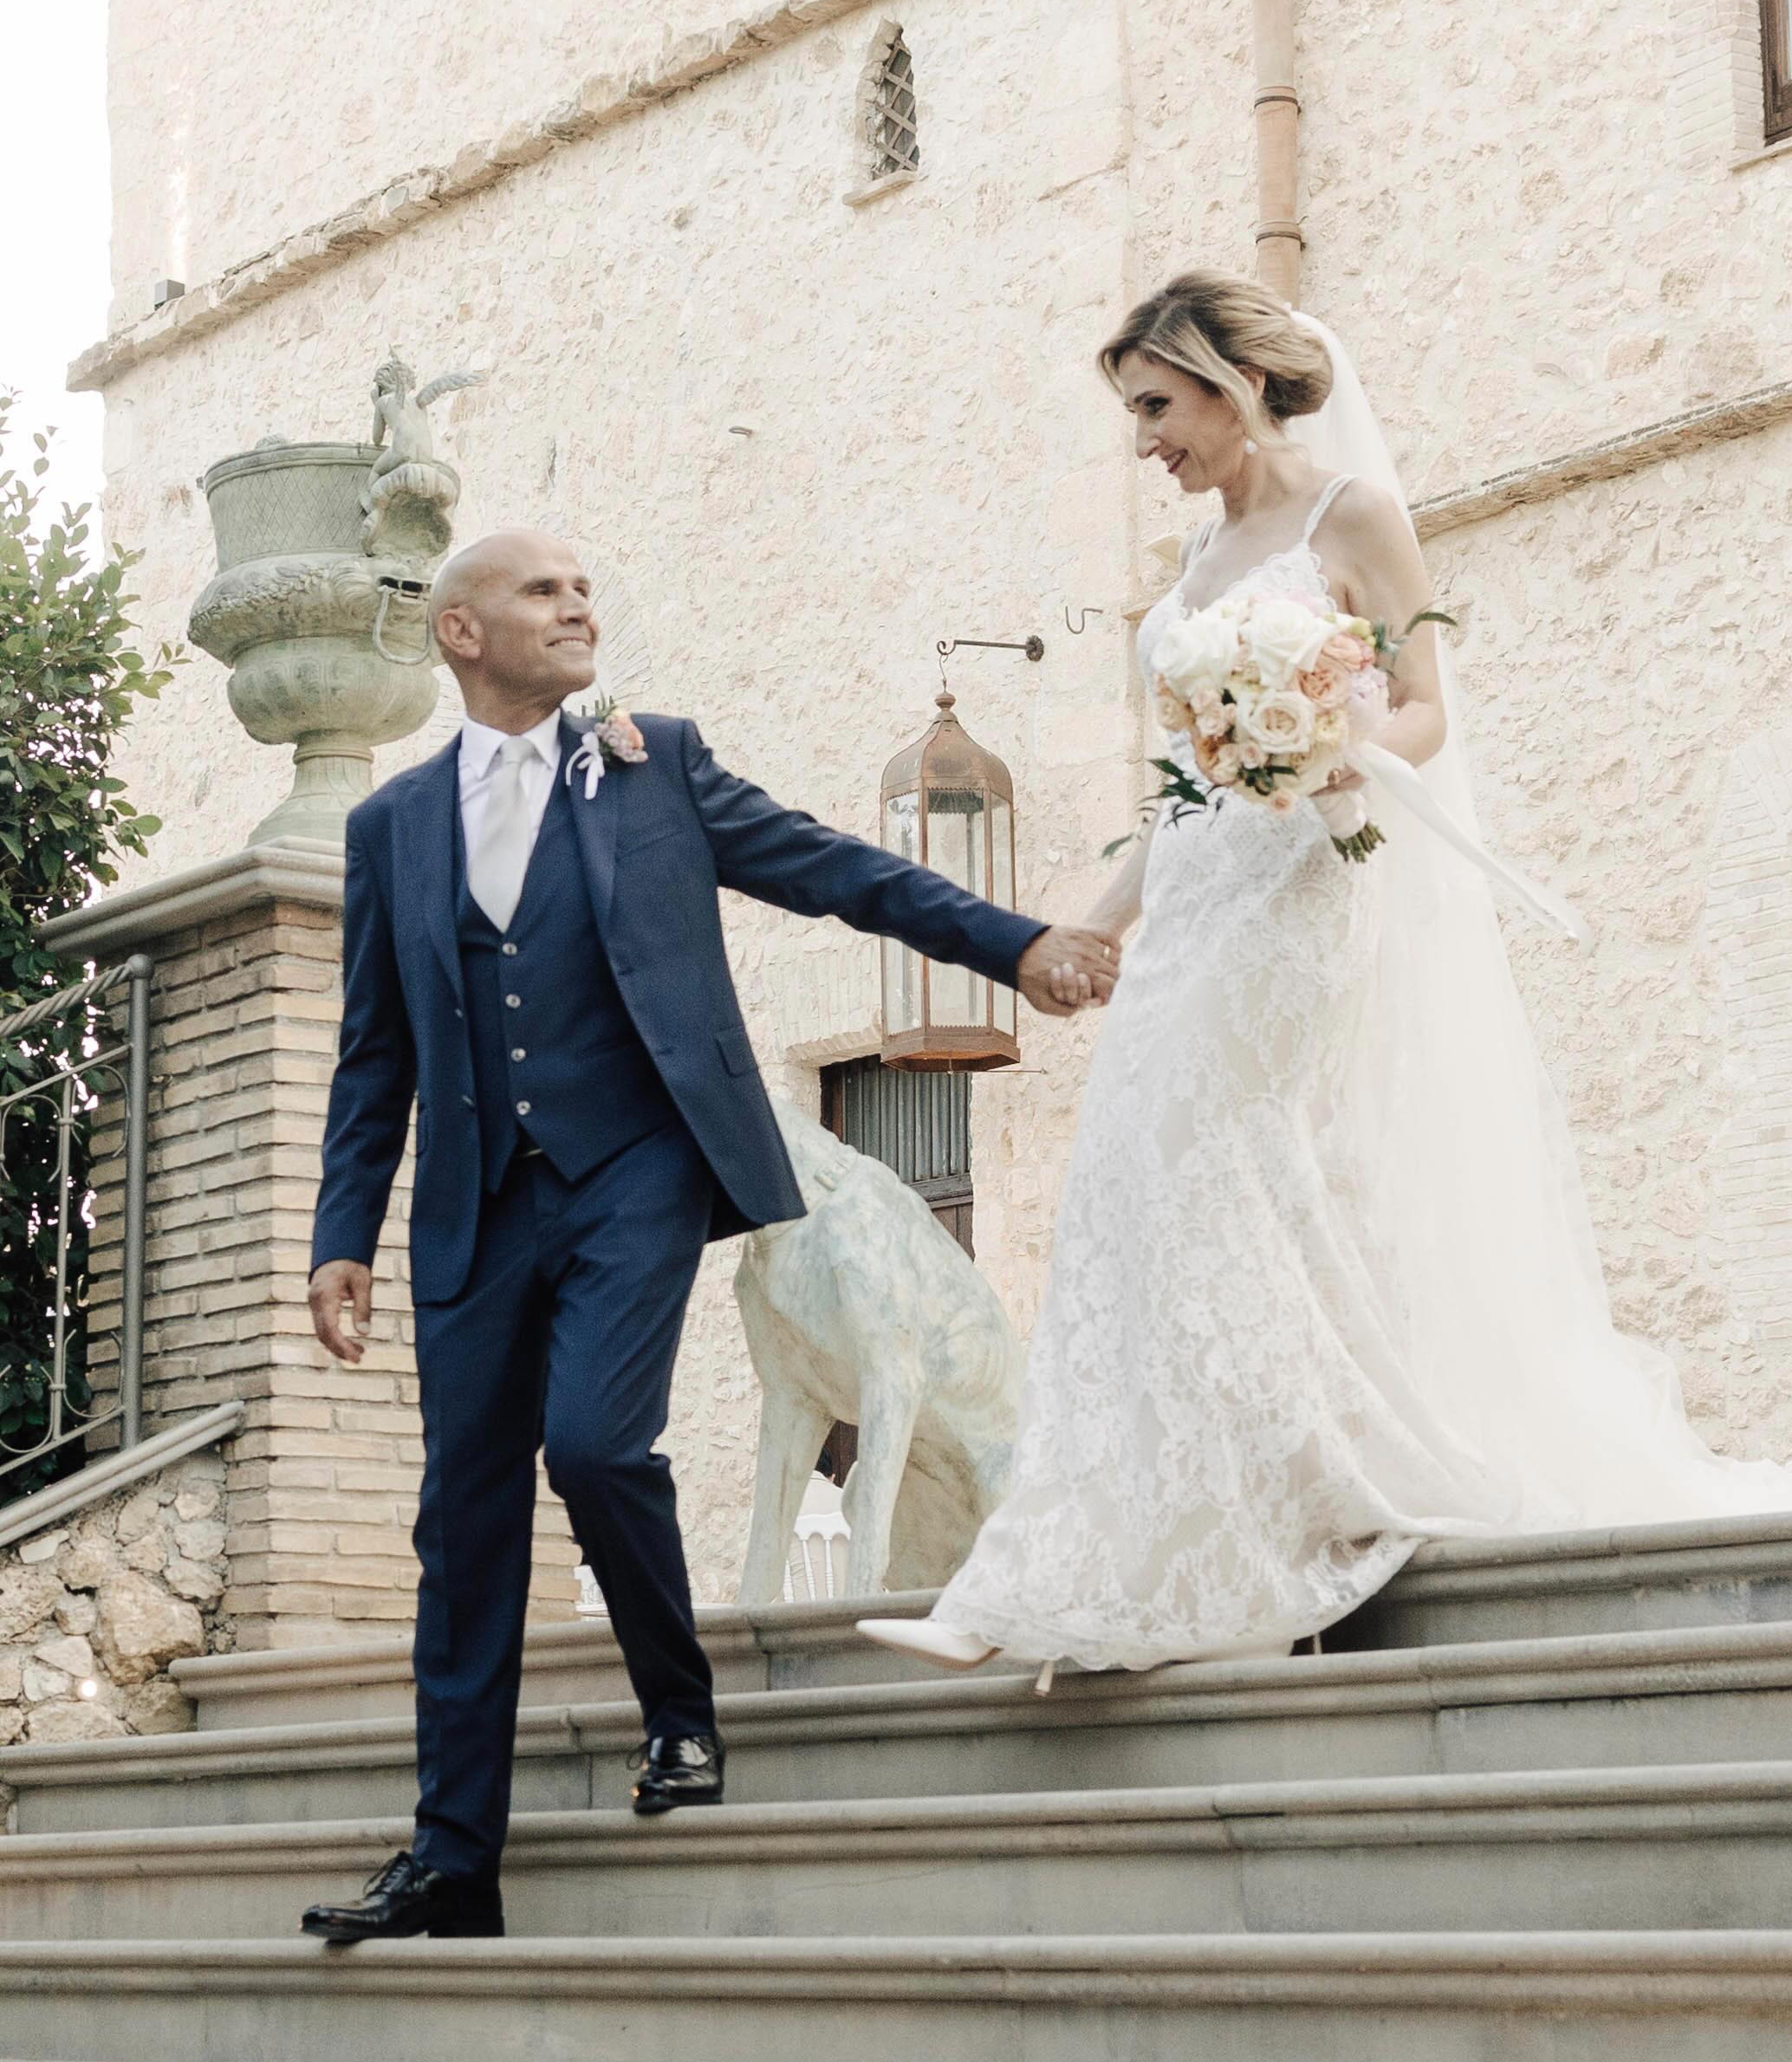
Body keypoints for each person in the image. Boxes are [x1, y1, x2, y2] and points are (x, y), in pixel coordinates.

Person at [863, 272, 1792, 1679]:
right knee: (1131, 1183)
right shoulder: (1189, 567)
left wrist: (1326, 750)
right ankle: (1088, 1559)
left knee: (1213, 1171)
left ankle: (1255, 1523)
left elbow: (1423, 711)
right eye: (1132, 416)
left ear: (1229, 386)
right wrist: (1094, 924)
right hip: (1195, 902)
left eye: (1156, 408)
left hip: (1302, 888)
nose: (1145, 442)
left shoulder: (1350, 517)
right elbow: (1179, 789)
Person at [300, 529, 1119, 1944]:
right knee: (466, 1522)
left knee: (599, 1445)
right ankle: (452, 1860)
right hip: (475, 1204)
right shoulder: (392, 828)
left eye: (585, 589)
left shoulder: (653, 764)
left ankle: (680, 1712)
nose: (578, 607)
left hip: (635, 1173)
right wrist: (341, 1229)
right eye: (542, 592)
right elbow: (373, 1053)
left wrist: (1017, 941)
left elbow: (835, 870)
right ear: (461, 633)